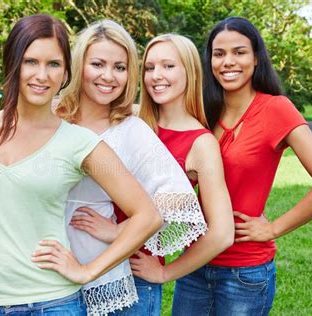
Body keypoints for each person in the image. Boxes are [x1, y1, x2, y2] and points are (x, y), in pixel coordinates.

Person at [0, 14, 163, 315]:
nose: (42, 75)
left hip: (55, 304)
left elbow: (147, 215)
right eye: (30, 61)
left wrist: (88, 271)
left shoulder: (78, 142)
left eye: (53, 64)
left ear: (66, 72)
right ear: (12, 63)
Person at [159, 17, 312, 315]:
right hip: (194, 264)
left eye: (239, 52)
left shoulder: (276, 109)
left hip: (244, 274)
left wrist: (272, 228)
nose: (228, 62)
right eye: (219, 54)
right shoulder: (202, 111)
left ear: (256, 58)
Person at [55, 21, 208, 315]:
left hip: (105, 272)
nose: (108, 76)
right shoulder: (51, 115)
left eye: (120, 68)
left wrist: (117, 231)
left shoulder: (130, 128)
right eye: (98, 64)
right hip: (46, 268)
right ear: (78, 65)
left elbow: (177, 197)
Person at [132, 32, 234, 307]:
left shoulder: (201, 143)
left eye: (168, 66)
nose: (156, 75)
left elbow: (223, 232)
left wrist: (166, 272)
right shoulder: (131, 121)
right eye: (150, 67)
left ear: (189, 72)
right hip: (86, 263)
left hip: (136, 273)